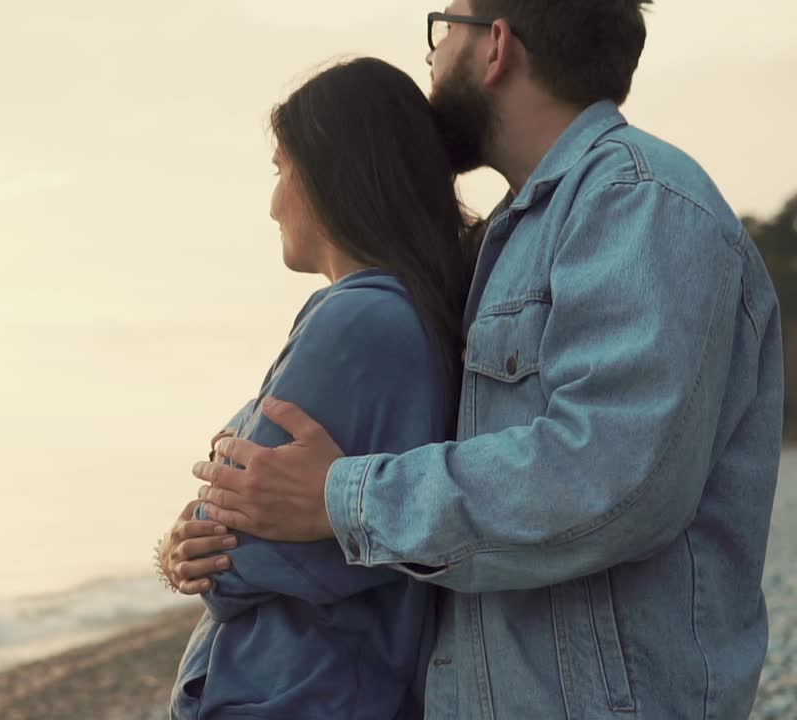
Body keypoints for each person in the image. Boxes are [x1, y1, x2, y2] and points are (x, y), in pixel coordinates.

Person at [163, 1, 784, 717]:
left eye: (443, 27)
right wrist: (208, 528)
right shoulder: (499, 246)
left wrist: (342, 497)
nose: (430, 58)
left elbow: (612, 478)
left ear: (495, 47)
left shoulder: (638, 203)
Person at [167, 57, 474, 720]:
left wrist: (193, 535)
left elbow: (236, 550)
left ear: (333, 174)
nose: (273, 202)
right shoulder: (409, 313)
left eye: (281, 169)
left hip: (301, 694)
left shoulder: (360, 318)